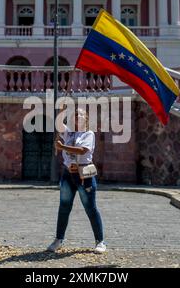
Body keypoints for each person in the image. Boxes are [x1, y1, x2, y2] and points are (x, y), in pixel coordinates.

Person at [47, 108, 106, 254]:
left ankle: (100, 242)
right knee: (64, 207)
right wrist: (62, 110)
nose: (77, 117)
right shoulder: (68, 132)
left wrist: (62, 147)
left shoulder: (89, 134)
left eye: (80, 114)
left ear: (85, 118)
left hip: (84, 175)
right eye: (74, 115)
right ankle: (58, 240)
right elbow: (59, 123)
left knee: (90, 208)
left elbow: (81, 150)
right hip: (68, 174)